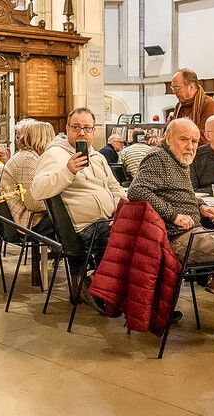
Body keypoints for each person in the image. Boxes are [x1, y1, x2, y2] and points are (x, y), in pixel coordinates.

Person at [127, 118, 214, 342]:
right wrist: (173, 215)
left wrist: (200, 206)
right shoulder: (158, 158)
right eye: (184, 139)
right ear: (168, 138)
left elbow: (181, 193)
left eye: (194, 140)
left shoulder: (178, 160)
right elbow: (136, 191)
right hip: (179, 239)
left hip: (194, 233)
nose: (191, 145)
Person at [31, 107, 126, 309]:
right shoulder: (55, 155)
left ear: (93, 131)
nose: (82, 132)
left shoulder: (98, 157)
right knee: (122, 240)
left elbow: (114, 187)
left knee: (144, 234)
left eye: (87, 128)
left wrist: (123, 209)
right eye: (76, 127)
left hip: (108, 220)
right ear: (67, 129)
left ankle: (128, 296)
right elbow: (37, 190)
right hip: (81, 228)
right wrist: (68, 171)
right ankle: (99, 289)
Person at [0, 120, 56, 235]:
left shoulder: (28, 156)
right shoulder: (28, 159)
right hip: (26, 220)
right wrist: (58, 205)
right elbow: (33, 203)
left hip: (24, 217)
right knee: (72, 222)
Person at [169, 68, 214, 144]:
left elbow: (205, 138)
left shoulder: (209, 104)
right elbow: (171, 132)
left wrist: (177, 142)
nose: (174, 92)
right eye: (173, 89)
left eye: (177, 88)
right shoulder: (179, 106)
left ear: (191, 87)